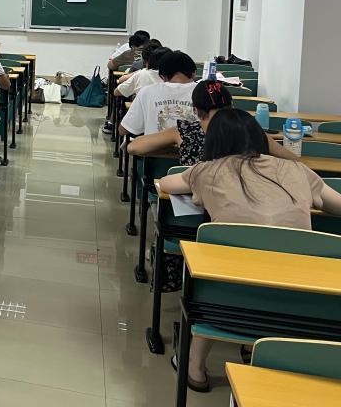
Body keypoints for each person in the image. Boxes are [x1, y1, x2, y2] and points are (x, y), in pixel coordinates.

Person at [158, 108, 341, 392]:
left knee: (214, 270)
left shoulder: (207, 170)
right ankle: (261, 354)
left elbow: (166, 183)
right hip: (305, 304)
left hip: (226, 302)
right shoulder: (297, 170)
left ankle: (195, 369)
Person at [129, 80, 298, 166]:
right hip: (251, 206)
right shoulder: (252, 130)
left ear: (197, 111)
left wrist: (176, 149)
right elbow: (294, 161)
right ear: (231, 105)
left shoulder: (186, 131)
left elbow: (134, 147)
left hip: (197, 208)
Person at [120, 50, 198, 136]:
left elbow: (123, 130)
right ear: (194, 73)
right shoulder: (205, 92)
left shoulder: (147, 92)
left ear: (162, 76)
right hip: (193, 144)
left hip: (154, 144)